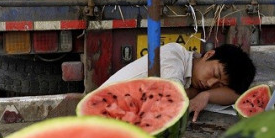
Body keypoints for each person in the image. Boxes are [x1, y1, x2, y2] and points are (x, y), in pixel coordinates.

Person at [103, 42, 256, 122]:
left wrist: (206, 95)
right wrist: (198, 93)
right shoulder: (173, 57)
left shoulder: (199, 82)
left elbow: (237, 95)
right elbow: (172, 103)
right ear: (208, 54)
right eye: (214, 73)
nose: (210, 83)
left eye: (219, 86)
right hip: (106, 112)